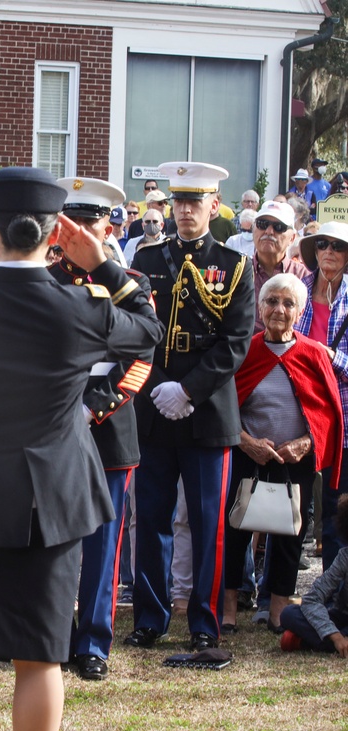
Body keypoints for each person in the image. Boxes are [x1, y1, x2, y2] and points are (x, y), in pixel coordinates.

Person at [0, 166, 161, 731]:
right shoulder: (81, 306)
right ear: (55, 233)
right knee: (40, 656)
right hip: (54, 499)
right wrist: (103, 265)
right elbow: (147, 330)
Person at [127, 161, 255, 652]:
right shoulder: (148, 258)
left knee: (207, 524)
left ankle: (204, 621)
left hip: (206, 414)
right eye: (178, 202)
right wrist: (160, 386)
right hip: (155, 408)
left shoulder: (233, 265)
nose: (184, 211)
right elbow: (138, 333)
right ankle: (150, 618)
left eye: (194, 202)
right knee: (152, 520)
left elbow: (236, 341)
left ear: (213, 206)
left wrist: (188, 391)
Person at [52, 177, 155, 681]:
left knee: (104, 544)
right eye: (72, 221)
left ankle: (93, 642)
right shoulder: (44, 280)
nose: (81, 231)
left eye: (90, 221)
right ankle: (52, 634)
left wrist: (98, 406)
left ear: (108, 226)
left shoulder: (132, 282)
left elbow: (142, 357)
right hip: (52, 428)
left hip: (110, 429)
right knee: (50, 538)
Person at [220, 275, 343, 635]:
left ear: (300, 311)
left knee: (291, 532)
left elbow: (326, 411)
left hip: (295, 460)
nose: (279, 309)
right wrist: (245, 440)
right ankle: (228, 608)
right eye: (272, 301)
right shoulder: (246, 350)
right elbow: (225, 404)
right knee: (235, 529)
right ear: (260, 308)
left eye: (288, 304)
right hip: (248, 454)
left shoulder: (312, 353)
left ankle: (277, 610)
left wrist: (305, 442)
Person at [293, 221, 348, 570]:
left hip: (342, 419)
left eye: (338, 246)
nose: (329, 251)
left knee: (335, 509)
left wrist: (332, 357)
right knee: (288, 508)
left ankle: (333, 592)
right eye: (323, 244)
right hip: (296, 415)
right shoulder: (295, 291)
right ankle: (274, 596)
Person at [280, 495, 348, 655]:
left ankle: (304, 641)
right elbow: (312, 599)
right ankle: (336, 644)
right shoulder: (344, 557)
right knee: (289, 614)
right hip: (341, 619)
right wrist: (336, 636)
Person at [248, 201, 311, 333]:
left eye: (279, 227)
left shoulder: (304, 277)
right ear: (253, 230)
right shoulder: (239, 271)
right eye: (262, 224)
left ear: (292, 237)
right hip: (245, 351)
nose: (269, 231)